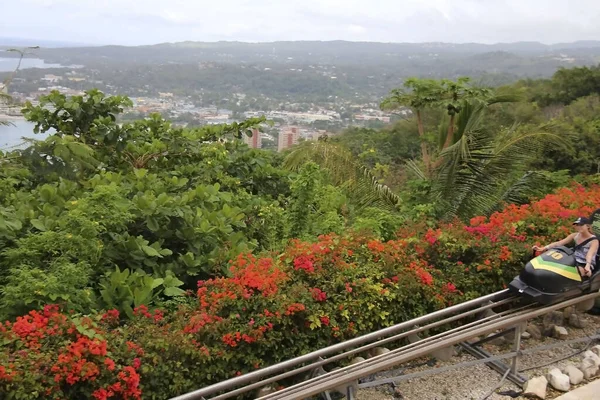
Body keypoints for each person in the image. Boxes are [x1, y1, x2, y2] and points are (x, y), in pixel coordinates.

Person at [532, 216, 599, 278]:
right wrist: (543, 248)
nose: (578, 227)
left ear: (587, 226)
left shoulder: (594, 241)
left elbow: (589, 255)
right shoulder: (575, 236)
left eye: (581, 225)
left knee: (575, 273)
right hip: (574, 260)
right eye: (577, 225)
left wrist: (587, 265)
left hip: (585, 263)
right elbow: (559, 243)